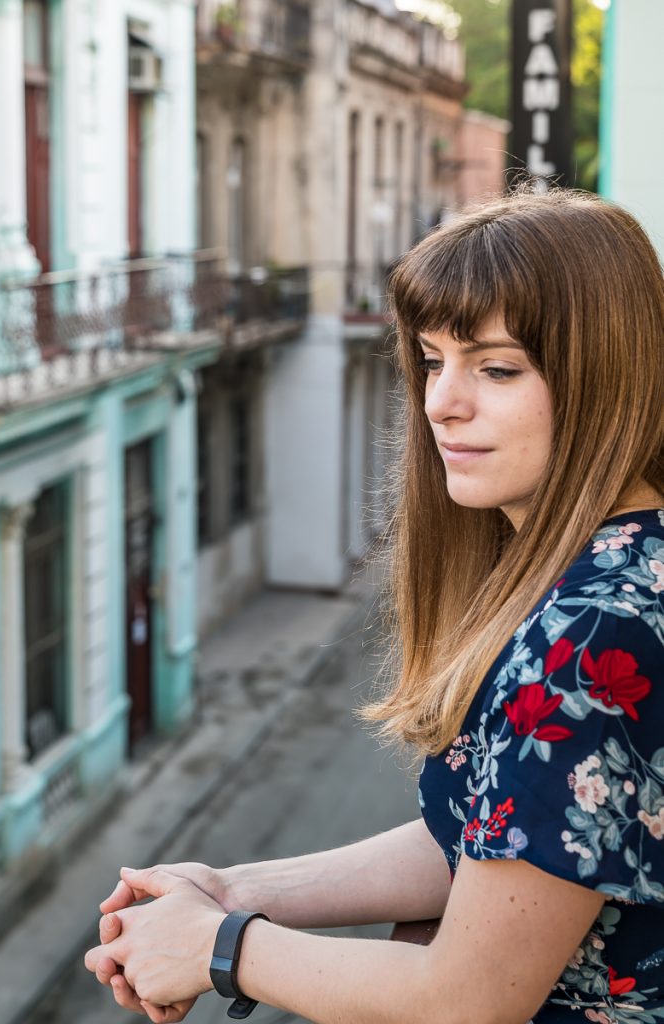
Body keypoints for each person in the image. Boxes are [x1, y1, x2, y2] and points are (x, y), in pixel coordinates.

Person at [84, 189, 664, 1024]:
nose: (440, 402)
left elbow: (467, 998)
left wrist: (221, 950)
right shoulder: (613, 566)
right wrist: (230, 889)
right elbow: (496, 839)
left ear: (606, 376)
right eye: (432, 361)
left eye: (495, 368)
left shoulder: (593, 632)